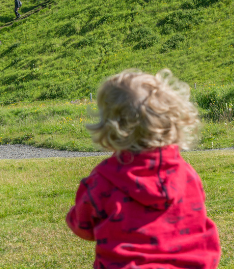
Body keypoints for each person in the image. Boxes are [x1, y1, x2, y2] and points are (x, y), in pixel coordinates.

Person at [66, 69, 220, 267]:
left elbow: (83, 227)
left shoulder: (103, 180)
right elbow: (195, 218)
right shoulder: (186, 174)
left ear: (110, 126)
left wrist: (73, 215)